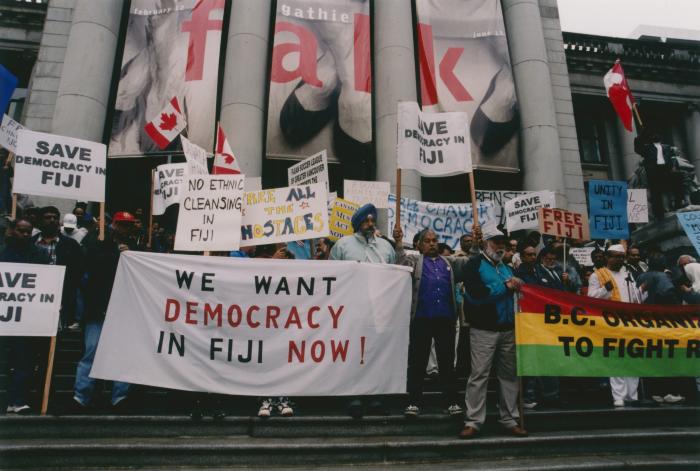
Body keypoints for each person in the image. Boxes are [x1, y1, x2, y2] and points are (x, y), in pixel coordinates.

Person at [395, 228, 472, 417]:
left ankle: (451, 401)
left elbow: (470, 264)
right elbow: (400, 262)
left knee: (446, 362)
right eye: (428, 241)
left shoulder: (449, 262)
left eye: (435, 240)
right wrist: (398, 242)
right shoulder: (415, 261)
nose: (432, 244)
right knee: (417, 362)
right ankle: (414, 402)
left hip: (445, 319)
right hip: (421, 319)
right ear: (419, 245)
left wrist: (476, 245)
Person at [459, 225, 527, 439]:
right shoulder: (475, 264)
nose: (500, 246)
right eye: (496, 242)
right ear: (486, 243)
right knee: (479, 375)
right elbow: (476, 295)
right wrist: (505, 287)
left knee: (509, 376)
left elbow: (516, 292)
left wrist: (519, 285)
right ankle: (473, 421)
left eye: (503, 243)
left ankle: (509, 418)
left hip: (508, 330)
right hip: (484, 330)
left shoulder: (506, 268)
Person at [329, 203, 396, 418]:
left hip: (380, 310)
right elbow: (332, 276)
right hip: (352, 310)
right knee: (353, 352)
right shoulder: (342, 245)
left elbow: (395, 274)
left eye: (372, 220)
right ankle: (354, 396)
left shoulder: (386, 247)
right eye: (366, 221)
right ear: (357, 224)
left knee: (376, 352)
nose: (370, 224)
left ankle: (376, 396)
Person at [73, 211, 137, 411]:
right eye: (121, 224)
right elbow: (93, 267)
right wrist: (119, 254)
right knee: (91, 351)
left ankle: (120, 395)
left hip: (124, 311)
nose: (124, 228)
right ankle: (81, 395)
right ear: (114, 225)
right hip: (98, 308)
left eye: (128, 225)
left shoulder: (138, 246)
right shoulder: (97, 241)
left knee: (123, 353)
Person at [1, 218, 50, 414]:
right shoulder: (3, 252)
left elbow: (46, 280)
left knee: (23, 360)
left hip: (25, 318)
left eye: (29, 231)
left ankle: (17, 399)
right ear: (13, 231)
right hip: (5, 314)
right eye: (22, 231)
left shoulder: (38, 253)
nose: (26, 235)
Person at [587, 244, 644, 407]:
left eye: (621, 257)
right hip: (610, 322)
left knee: (632, 357)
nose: (619, 259)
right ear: (607, 257)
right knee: (616, 359)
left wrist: (643, 290)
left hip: (630, 322)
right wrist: (606, 289)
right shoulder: (597, 275)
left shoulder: (628, 275)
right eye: (615, 256)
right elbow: (591, 299)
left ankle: (632, 395)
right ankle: (619, 396)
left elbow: (634, 297)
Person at [33, 206, 85, 331]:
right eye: (47, 217)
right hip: (34, 298)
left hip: (61, 299)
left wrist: (66, 297)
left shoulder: (71, 245)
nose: (52, 220)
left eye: (55, 217)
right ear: (39, 221)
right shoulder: (30, 243)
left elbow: (77, 273)